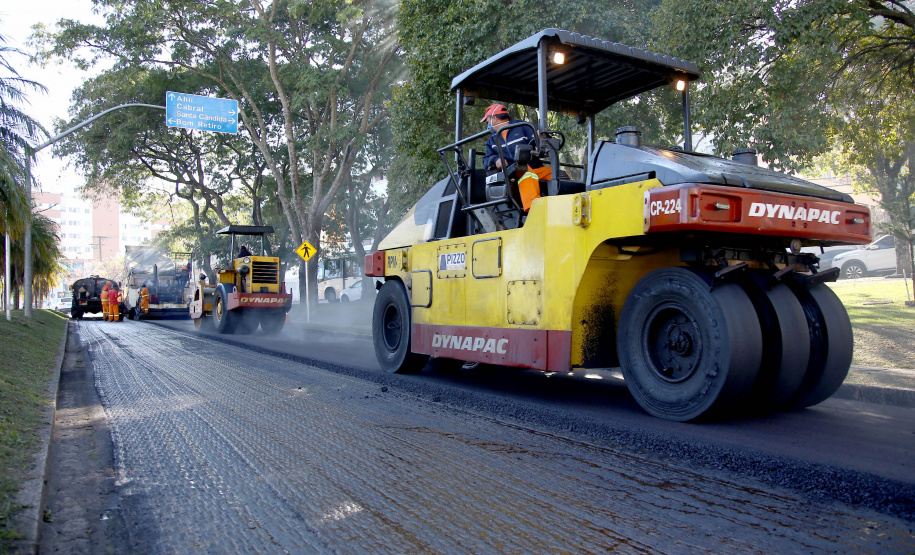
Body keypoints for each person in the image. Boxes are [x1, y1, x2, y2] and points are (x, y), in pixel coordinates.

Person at [480, 104, 552, 211]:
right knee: (527, 174)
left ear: (494, 118)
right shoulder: (492, 140)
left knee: (556, 174)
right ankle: (534, 210)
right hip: (515, 172)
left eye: (487, 121)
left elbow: (543, 140)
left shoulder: (524, 127)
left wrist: (541, 137)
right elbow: (486, 159)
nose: (488, 124)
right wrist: (496, 160)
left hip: (536, 167)